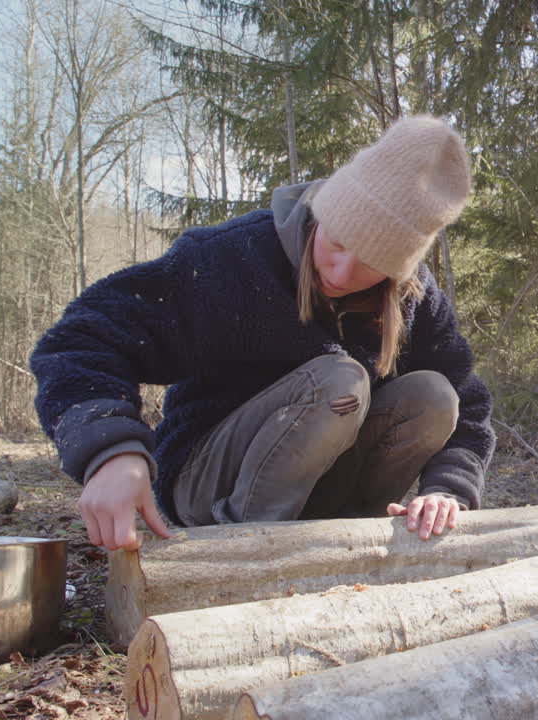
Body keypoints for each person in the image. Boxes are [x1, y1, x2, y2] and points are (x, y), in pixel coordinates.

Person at [31, 115, 494, 551]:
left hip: (323, 485)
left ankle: (342, 545)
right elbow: (80, 339)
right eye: (337, 241)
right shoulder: (232, 260)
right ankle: (245, 549)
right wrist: (112, 453)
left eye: (371, 263)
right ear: (323, 212)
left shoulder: (415, 298)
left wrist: (448, 491)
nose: (341, 270)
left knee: (433, 395)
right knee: (340, 382)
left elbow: (466, 402)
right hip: (207, 480)